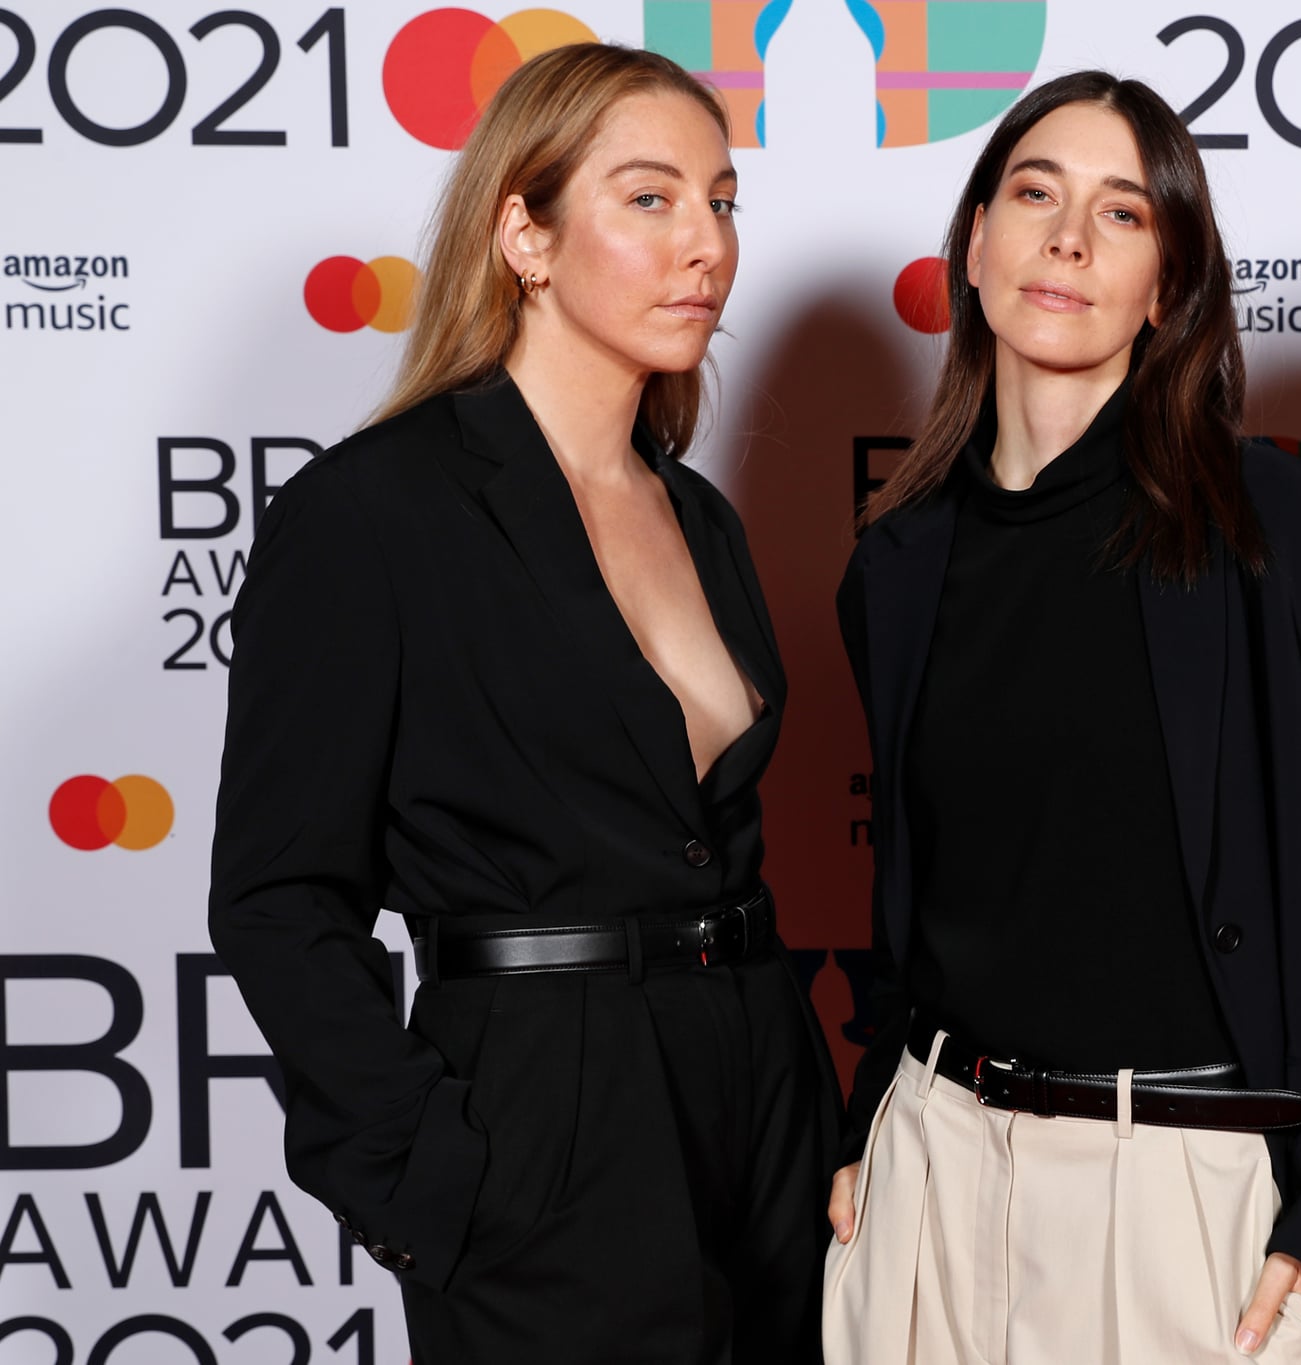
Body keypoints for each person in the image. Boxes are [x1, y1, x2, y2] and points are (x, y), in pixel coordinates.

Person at [209, 43, 837, 1364]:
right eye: (650, 199)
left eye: (722, 203)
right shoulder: (372, 515)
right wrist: (425, 1173)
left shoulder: (702, 516)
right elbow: (277, 896)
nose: (705, 246)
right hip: (547, 1118)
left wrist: (802, 1116)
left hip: (760, 1105)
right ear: (525, 235)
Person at [822, 70, 1301, 1365]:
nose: (1069, 239)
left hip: (1184, 1187)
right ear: (975, 242)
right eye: (1035, 194)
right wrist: (872, 1118)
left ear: (1169, 288)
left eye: (1124, 213)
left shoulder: (1285, 536)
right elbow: (933, 898)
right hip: (932, 1168)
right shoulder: (901, 561)